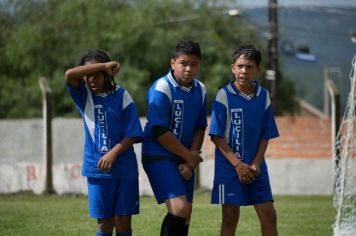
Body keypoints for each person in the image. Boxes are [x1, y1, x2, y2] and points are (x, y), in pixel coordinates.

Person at [64, 49, 143, 236]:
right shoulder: (83, 96)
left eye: (95, 75)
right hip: (97, 170)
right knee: (105, 224)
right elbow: (69, 75)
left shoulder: (122, 95)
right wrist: (103, 66)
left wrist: (114, 152)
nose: (90, 80)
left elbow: (134, 133)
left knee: (123, 224)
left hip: (124, 169)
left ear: (106, 74)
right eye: (86, 75)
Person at [209, 44, 279, 236]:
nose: (244, 71)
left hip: (256, 168)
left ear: (258, 70)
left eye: (249, 67)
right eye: (240, 66)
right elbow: (216, 135)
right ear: (233, 68)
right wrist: (238, 165)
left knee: (269, 215)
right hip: (229, 168)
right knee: (230, 218)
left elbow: (267, 133)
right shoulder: (224, 96)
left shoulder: (263, 95)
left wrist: (256, 163)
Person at [141, 40, 207, 236]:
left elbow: (199, 127)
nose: (188, 68)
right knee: (180, 209)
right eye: (183, 63)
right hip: (158, 154)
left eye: (193, 64)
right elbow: (160, 132)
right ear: (172, 63)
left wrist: (191, 161)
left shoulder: (201, 89)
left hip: (185, 157)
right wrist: (189, 157)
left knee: (185, 215)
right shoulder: (162, 88)